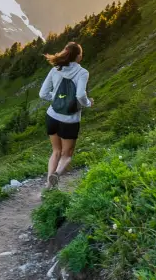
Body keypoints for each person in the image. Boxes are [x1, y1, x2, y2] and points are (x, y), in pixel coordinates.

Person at [38, 41, 91, 196]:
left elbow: (42, 94)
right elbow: (80, 95)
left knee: (55, 151)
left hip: (52, 116)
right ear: (79, 56)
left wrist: (57, 99)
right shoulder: (83, 73)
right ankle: (57, 174)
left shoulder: (56, 69)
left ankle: (48, 186)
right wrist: (87, 104)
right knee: (66, 154)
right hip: (70, 120)